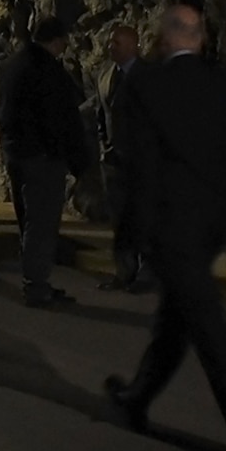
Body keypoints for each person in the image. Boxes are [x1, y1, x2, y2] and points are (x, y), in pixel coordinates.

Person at [104, 4, 226, 451]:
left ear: (163, 39)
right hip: (209, 227)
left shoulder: (146, 85)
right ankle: (135, 397)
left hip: (170, 227)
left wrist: (129, 235)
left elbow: (139, 168)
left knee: (208, 330)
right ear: (201, 39)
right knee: (176, 320)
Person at [0, 15, 90, 307]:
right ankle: (36, 286)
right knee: (42, 222)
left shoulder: (12, 66)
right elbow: (62, 120)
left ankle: (35, 282)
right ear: (57, 40)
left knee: (28, 219)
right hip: (42, 158)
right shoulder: (47, 70)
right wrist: (79, 163)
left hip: (17, 154)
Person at [93, 23, 145, 290]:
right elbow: (102, 115)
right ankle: (124, 272)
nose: (111, 47)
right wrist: (105, 143)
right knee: (120, 220)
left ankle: (147, 274)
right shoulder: (104, 75)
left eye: (117, 43)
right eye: (110, 42)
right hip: (113, 162)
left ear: (133, 45)